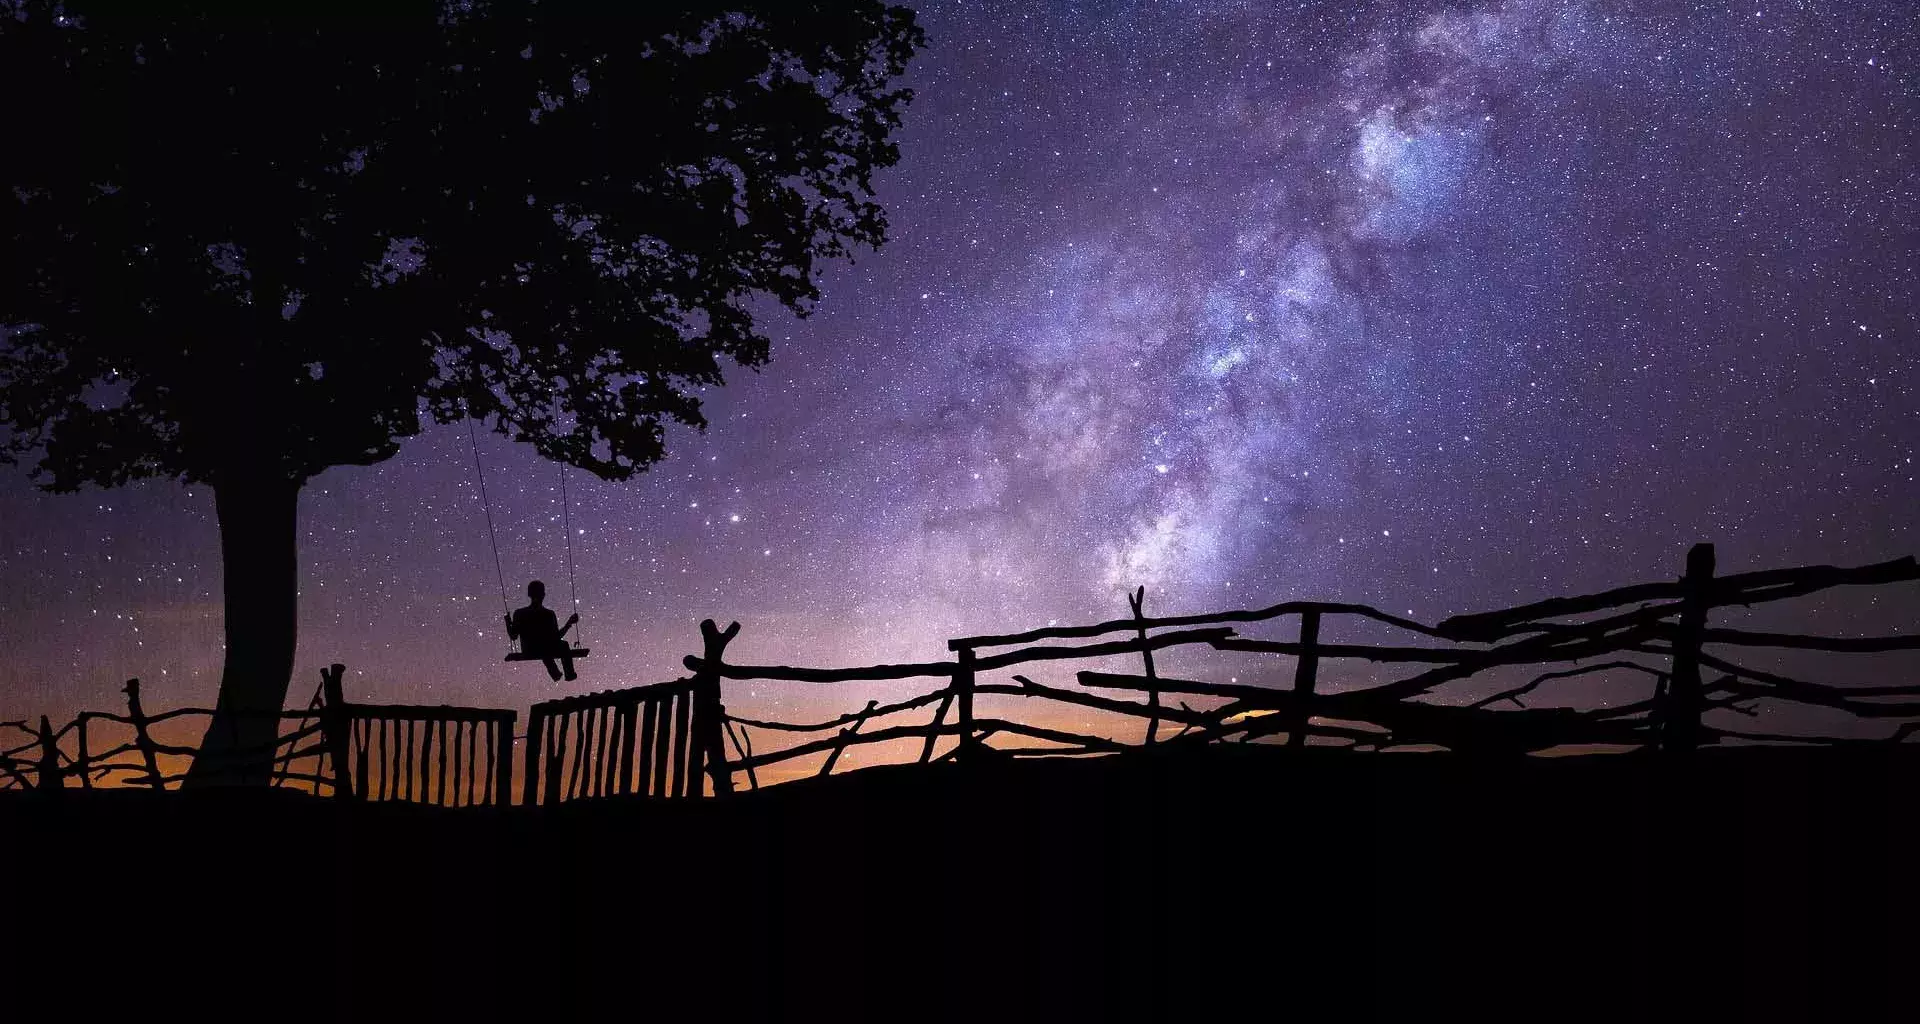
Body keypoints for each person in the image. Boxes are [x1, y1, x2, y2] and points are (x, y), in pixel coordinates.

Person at [506, 580, 579, 681]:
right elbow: (556, 637)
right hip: (541, 648)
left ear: (529, 594)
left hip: (531, 649)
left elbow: (513, 636)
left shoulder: (520, 613)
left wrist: (507, 622)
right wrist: (568, 624)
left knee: (548, 645)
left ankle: (556, 673)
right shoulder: (548, 614)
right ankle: (567, 674)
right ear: (543, 594)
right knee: (560, 645)